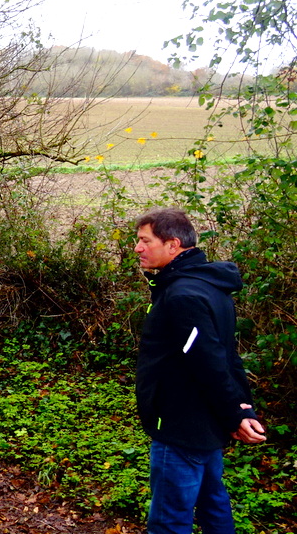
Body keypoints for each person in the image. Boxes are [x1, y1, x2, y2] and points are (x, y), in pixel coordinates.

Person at [133, 208, 266, 534]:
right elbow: (225, 355)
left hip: (181, 426)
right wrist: (240, 409)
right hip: (204, 424)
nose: (138, 248)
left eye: (145, 241)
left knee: (169, 520)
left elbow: (209, 362)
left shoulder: (183, 295)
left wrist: (236, 413)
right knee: (212, 502)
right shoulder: (206, 285)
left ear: (173, 244)